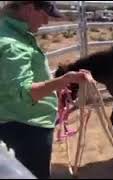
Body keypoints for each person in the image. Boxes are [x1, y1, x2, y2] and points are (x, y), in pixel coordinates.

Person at [0, 1, 94, 178]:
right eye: (44, 15)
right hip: (29, 127)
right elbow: (26, 93)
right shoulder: (13, 44)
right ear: (29, 9)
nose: (46, 22)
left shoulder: (10, 33)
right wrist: (64, 80)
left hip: (13, 119)